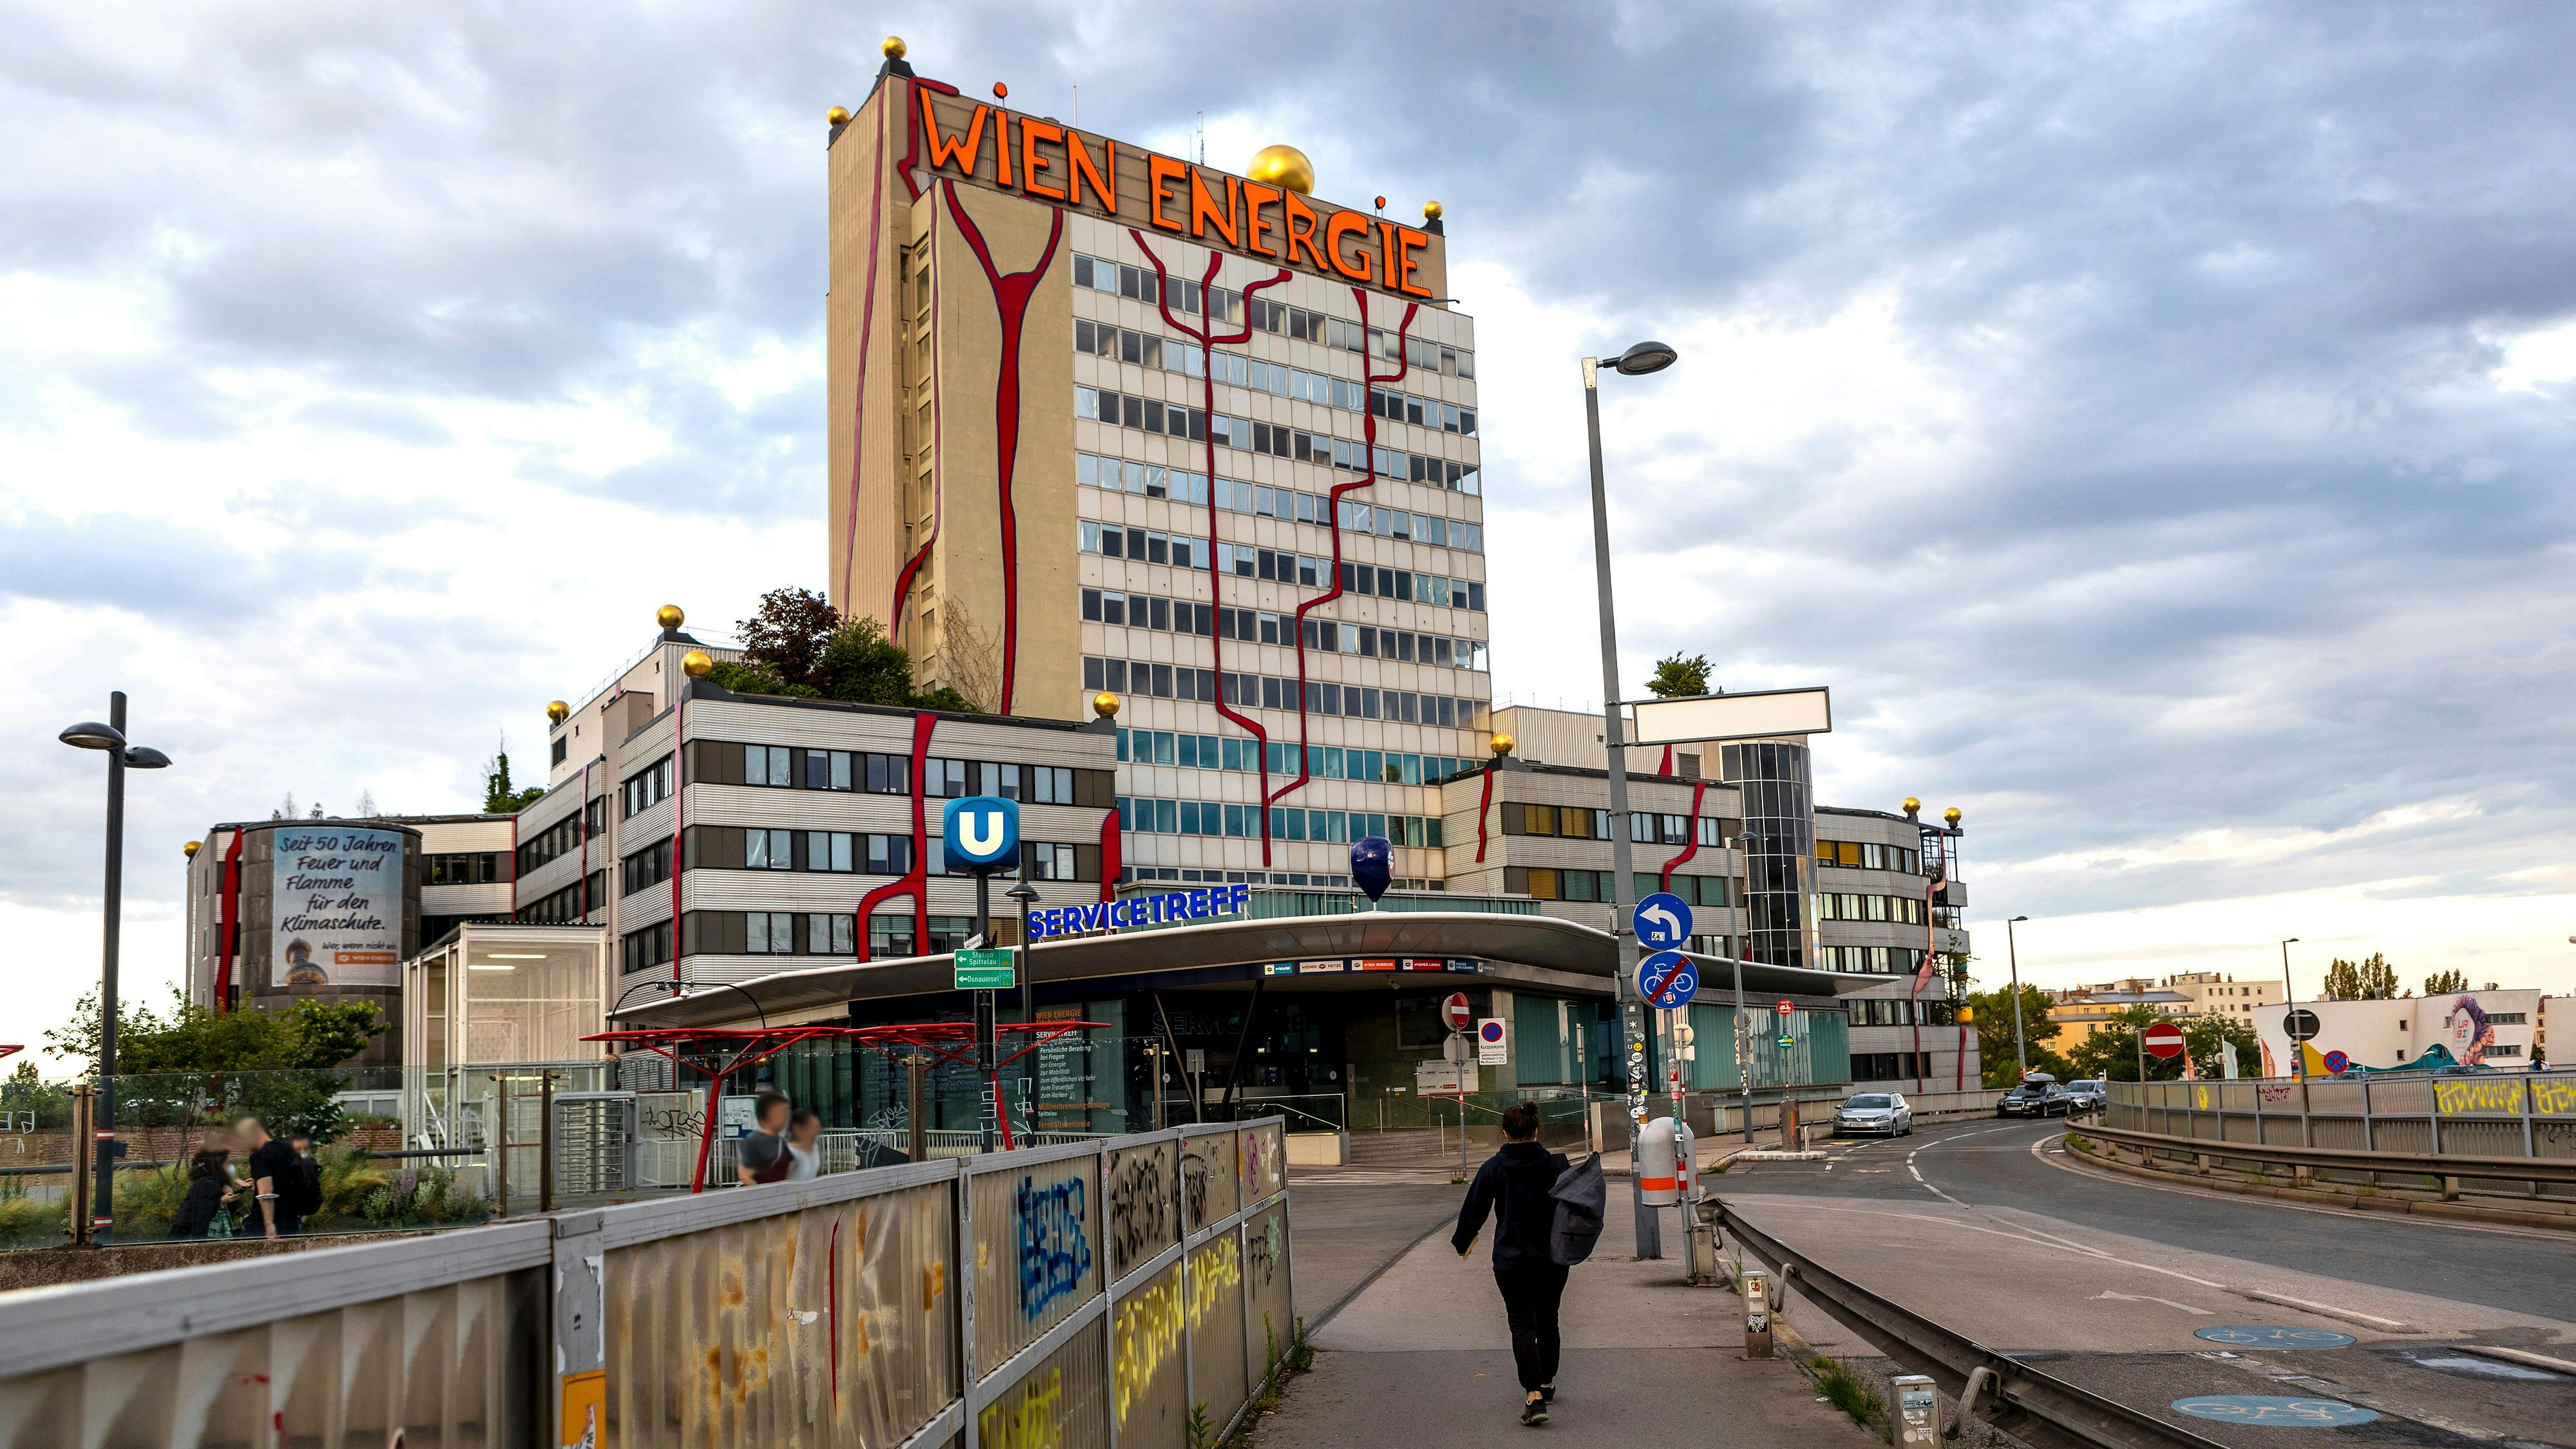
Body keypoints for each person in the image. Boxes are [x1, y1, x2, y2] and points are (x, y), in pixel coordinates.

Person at [1452, 1101, 1571, 1426]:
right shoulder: (1556, 1166)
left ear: (1505, 1132)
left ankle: (1533, 1396)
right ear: (1536, 1130)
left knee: (1522, 1325)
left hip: (1511, 1260)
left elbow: (1473, 1209)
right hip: (1552, 1258)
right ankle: (1546, 1382)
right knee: (1549, 1319)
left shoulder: (1494, 1168)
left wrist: (1463, 1241)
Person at [236, 1117, 303, 1238]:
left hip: (264, 1221)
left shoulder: (258, 1153)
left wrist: (269, 1225)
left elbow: (266, 1191)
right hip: (291, 1220)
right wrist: (256, 1185)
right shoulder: (288, 1149)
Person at [172, 1148, 235, 1238]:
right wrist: (220, 1200)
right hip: (194, 1230)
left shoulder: (212, 1182)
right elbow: (202, 1207)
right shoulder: (206, 1183)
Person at [736, 1090, 793, 1186]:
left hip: (782, 1194)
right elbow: (745, 1176)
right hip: (764, 1195)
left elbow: (789, 1170)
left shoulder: (781, 1140)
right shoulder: (752, 1141)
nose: (785, 1117)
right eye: (780, 1113)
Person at [785, 1108, 824, 1181]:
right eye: (812, 1127)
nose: (817, 1131)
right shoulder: (789, 1152)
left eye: (818, 1127)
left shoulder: (815, 1148)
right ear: (796, 1128)